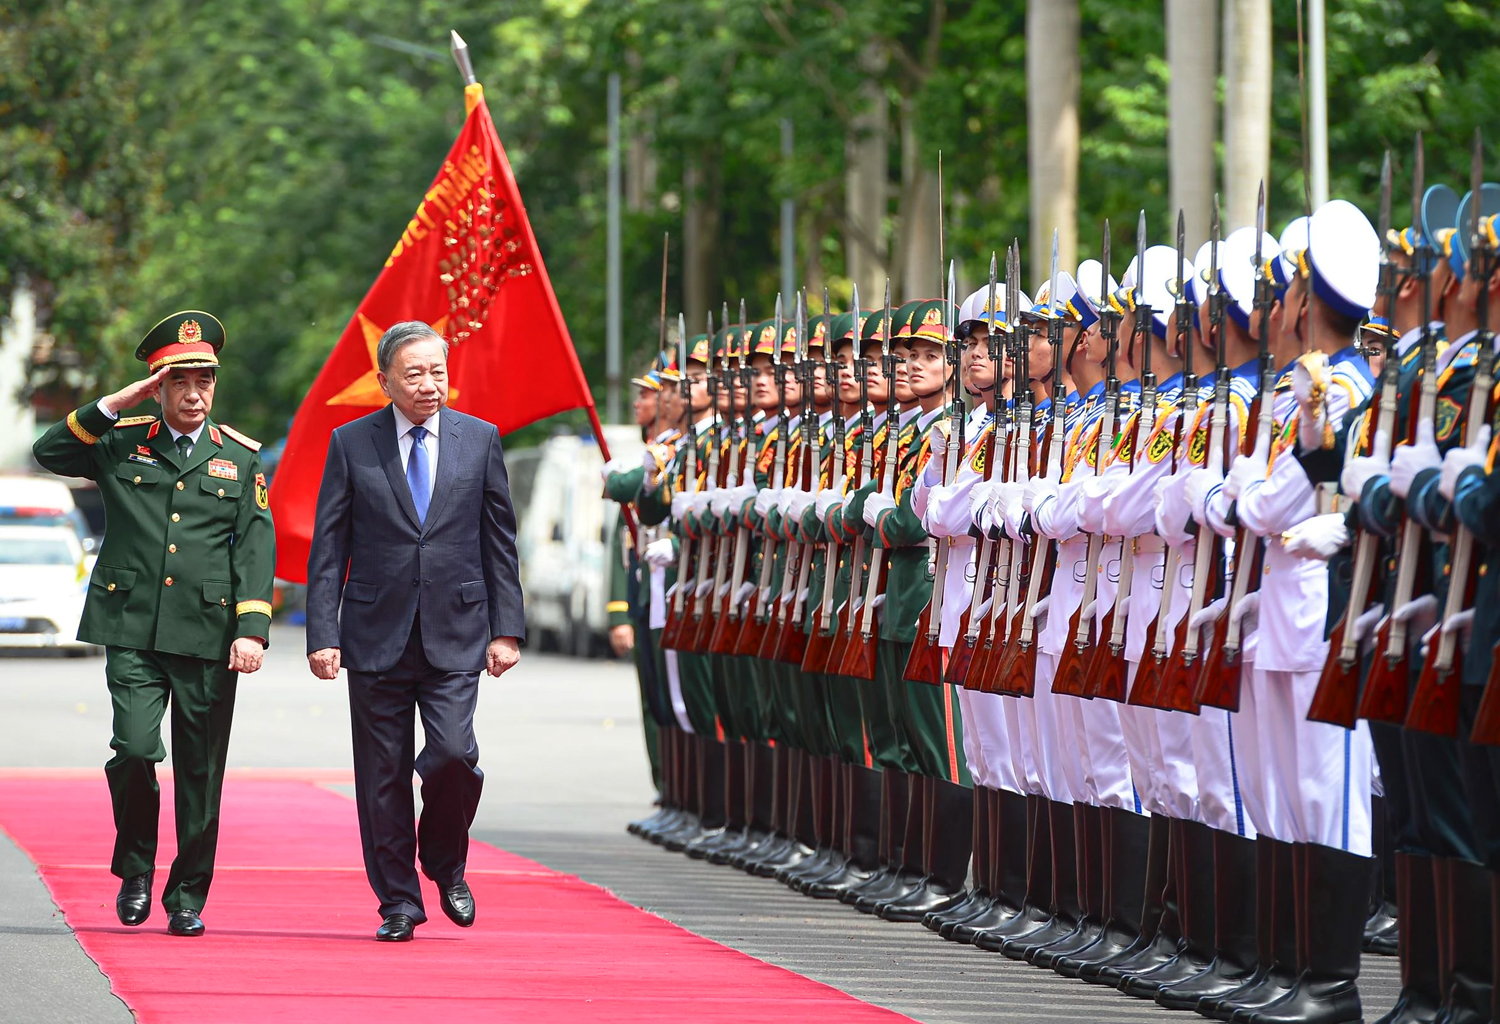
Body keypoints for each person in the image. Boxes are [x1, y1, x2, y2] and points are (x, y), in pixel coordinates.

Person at [32, 310, 275, 938]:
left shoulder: (239, 458)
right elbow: (49, 451)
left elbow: (255, 546)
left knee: (201, 770)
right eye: (179, 383)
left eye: (204, 382)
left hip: (207, 633)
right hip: (132, 625)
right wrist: (115, 404)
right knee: (136, 749)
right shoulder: (121, 440)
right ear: (157, 387)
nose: (194, 395)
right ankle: (136, 867)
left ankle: (188, 895)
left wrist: (251, 629)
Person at [304, 319, 524, 943]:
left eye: (438, 372)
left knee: (454, 755)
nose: (429, 384)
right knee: (382, 778)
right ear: (384, 382)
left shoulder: (478, 439)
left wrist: (507, 630)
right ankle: (398, 900)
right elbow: (329, 547)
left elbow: (499, 541)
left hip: (458, 630)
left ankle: (446, 860)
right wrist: (323, 633)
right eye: (415, 374)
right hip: (375, 634)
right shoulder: (352, 443)